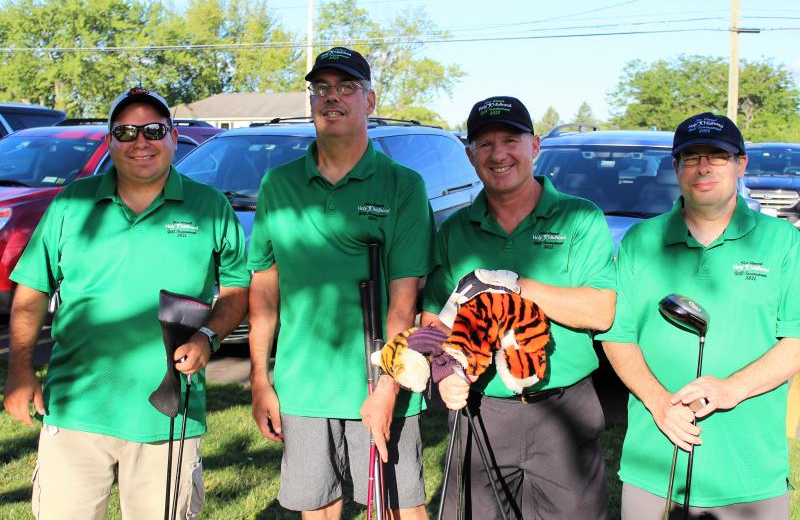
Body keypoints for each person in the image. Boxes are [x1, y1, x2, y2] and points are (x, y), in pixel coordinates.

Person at [2, 87, 250, 520]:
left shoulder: (209, 207)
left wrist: (208, 338)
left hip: (167, 413)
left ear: (174, 137)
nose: (140, 142)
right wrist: (20, 370)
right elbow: (33, 289)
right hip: (76, 408)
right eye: (126, 132)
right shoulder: (73, 203)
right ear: (110, 141)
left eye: (153, 130)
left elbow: (236, 289)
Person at [247, 46, 437, 518]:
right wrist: (260, 380)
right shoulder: (278, 185)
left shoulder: (403, 185)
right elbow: (264, 288)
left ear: (369, 101)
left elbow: (403, 303)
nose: (332, 97)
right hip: (302, 387)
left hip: (378, 380)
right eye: (322, 88)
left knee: (400, 509)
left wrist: (388, 388)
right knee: (318, 509)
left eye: (347, 87)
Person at [421, 96, 617, 519]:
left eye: (511, 140)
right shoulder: (455, 230)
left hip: (563, 411)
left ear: (535, 146)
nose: (499, 154)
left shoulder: (579, 218)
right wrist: (444, 370)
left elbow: (600, 311)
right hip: (481, 409)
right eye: (485, 144)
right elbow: (434, 315)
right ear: (470, 155)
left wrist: (513, 283)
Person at [598, 112, 800, 519]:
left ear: (741, 165)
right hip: (655, 465)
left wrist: (731, 389)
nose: (703, 167)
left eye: (718, 156)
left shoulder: (783, 241)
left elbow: (796, 340)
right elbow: (618, 337)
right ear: (676, 167)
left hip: (750, 470)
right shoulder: (641, 241)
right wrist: (659, 403)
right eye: (691, 157)